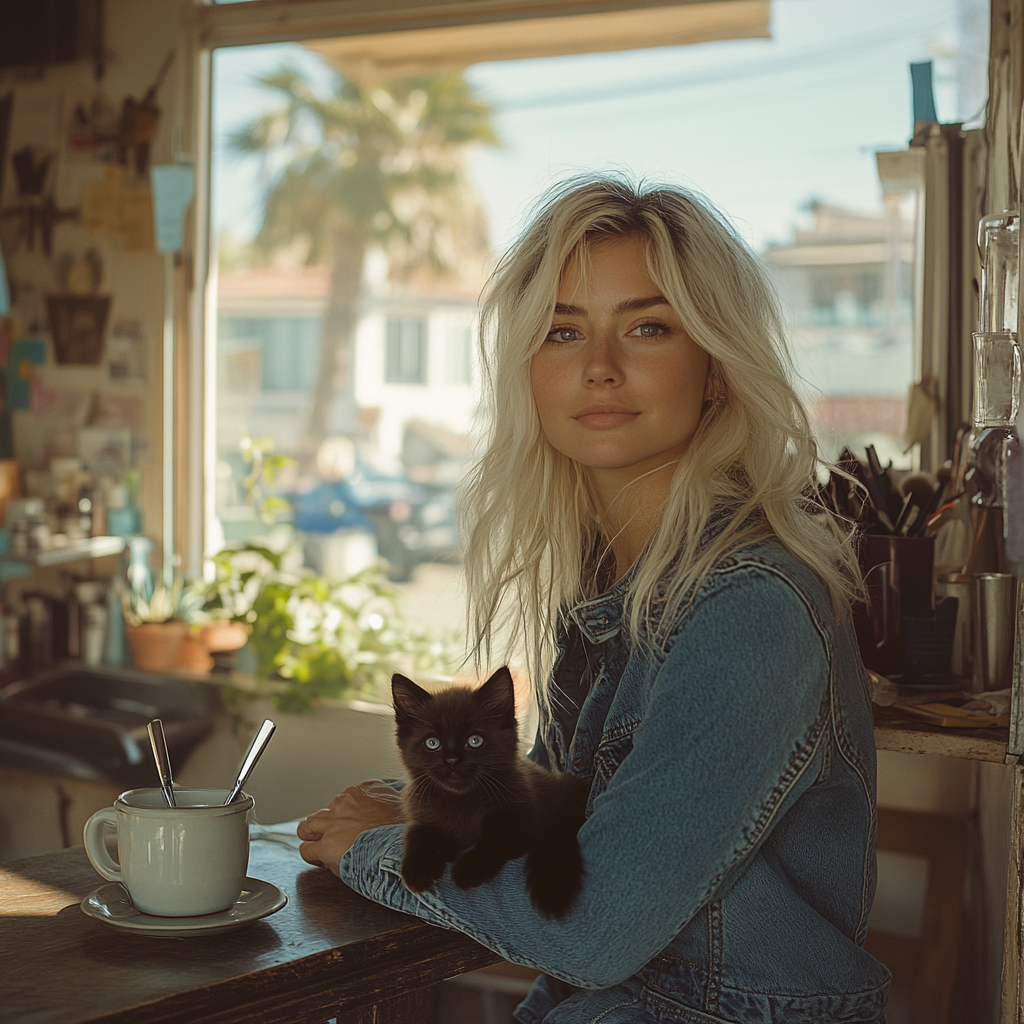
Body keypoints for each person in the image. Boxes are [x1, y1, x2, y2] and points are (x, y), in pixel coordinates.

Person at [298, 177, 891, 1024]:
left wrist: (376, 852)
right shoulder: (607, 583)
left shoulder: (747, 606)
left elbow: (593, 928)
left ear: (716, 368)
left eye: (647, 327)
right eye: (563, 331)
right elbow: (567, 831)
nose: (599, 367)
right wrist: (404, 812)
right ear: (530, 371)